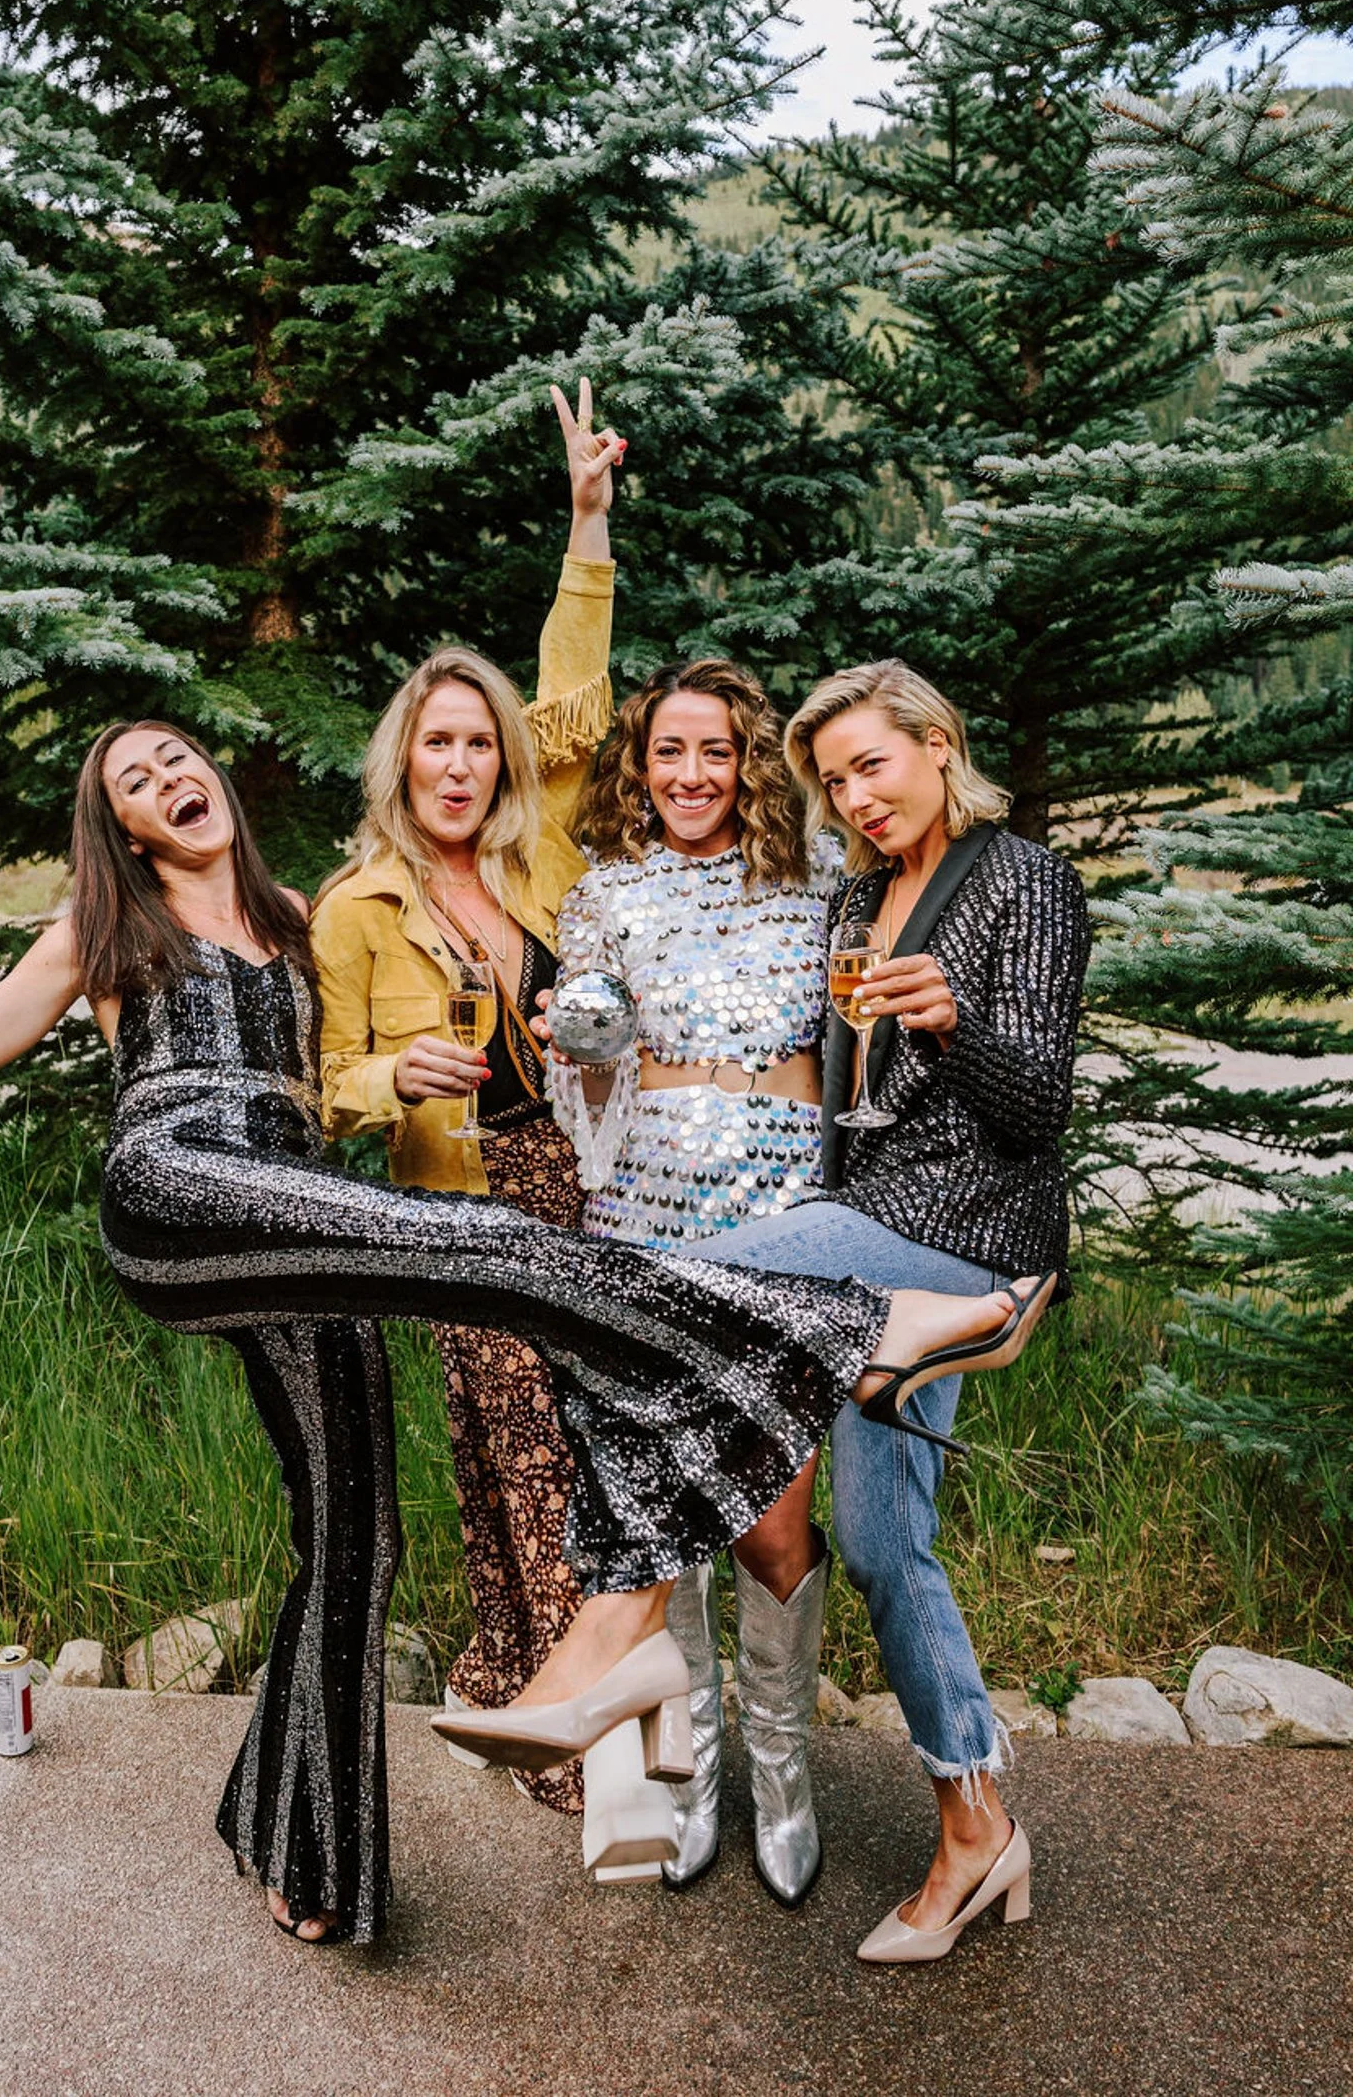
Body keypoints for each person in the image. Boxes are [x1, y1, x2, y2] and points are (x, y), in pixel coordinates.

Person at [0, 710, 1055, 1948]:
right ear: (119, 827)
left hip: (303, 1212)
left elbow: (474, 866)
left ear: (217, 782)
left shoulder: (303, 918)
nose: (170, 781)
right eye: (137, 782)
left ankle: (300, 1841)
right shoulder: (104, 931)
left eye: (179, 760)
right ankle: (849, 1321)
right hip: (181, 1189)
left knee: (359, 1537)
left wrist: (477, 1046)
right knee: (487, 1249)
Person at [704, 657, 1091, 1964]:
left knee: (693, 1280)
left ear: (937, 743)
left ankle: (612, 1643)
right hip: (875, 1242)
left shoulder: (1022, 879)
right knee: (880, 1545)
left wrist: (957, 1016)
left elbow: (1034, 1107)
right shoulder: (863, 896)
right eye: (834, 781)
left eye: (872, 764)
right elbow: (848, 1112)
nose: (855, 797)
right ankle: (979, 1824)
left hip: (965, 1232)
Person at [312, 378, 619, 1831]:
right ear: (403, 757)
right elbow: (322, 1091)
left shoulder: (533, 857)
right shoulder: (356, 904)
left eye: (478, 743)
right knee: (516, 1427)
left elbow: (580, 697)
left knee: (567, 1429)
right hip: (461, 1197)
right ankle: (569, 1727)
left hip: (585, 1173)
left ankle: (522, 1673)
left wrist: (586, 530)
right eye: (436, 743)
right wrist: (394, 1076)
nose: (460, 763)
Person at [549, 658, 840, 1904]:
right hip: (645, 1219)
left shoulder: (816, 884)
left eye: (714, 751)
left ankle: (785, 1773)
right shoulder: (604, 893)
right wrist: (587, 1032)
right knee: (671, 1506)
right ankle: (694, 1771)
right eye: (669, 752)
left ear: (748, 762)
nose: (690, 775)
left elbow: (858, 1047)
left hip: (781, 1220)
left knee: (774, 1517)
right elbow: (589, 1073)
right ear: (639, 764)